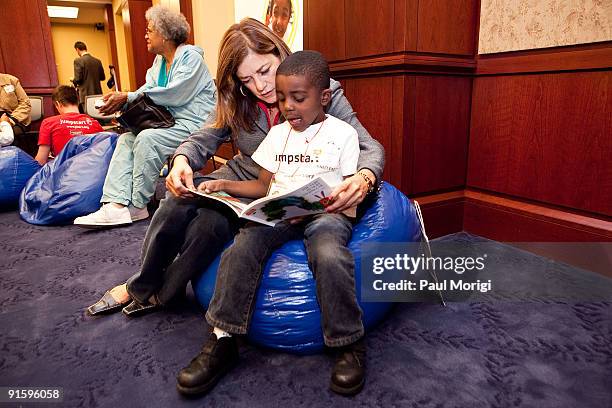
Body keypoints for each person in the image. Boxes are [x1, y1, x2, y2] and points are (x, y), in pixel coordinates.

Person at [86, 17, 382, 372]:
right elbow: (204, 137)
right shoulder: (239, 97)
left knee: (210, 227)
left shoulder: (319, 88)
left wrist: (364, 177)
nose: (261, 86)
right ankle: (143, 285)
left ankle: (167, 294)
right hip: (251, 176)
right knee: (178, 199)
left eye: (265, 70)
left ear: (278, 52)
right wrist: (182, 160)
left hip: (304, 189)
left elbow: (368, 146)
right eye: (247, 80)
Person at [176, 50, 366, 396]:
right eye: (281, 99)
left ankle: (347, 343)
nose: (288, 106)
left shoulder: (343, 135)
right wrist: (224, 185)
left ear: (324, 97)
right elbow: (262, 186)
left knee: (328, 254)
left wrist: (343, 201)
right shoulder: (278, 135)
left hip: (325, 212)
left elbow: (351, 187)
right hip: (279, 211)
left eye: (298, 98)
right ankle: (223, 339)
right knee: (242, 246)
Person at [74, 5, 216, 228]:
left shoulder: (190, 58)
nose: (146, 35)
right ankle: (115, 203)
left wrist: (128, 96)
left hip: (195, 123)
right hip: (170, 122)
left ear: (166, 33)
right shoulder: (159, 63)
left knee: (147, 138)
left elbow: (175, 93)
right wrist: (124, 100)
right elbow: (146, 91)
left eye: (150, 30)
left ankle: (137, 205)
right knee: (126, 138)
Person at [34, 85, 104, 165]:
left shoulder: (48, 123)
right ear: (77, 102)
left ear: (58, 104)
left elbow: (41, 161)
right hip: (91, 172)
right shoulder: (94, 123)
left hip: (64, 174)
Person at [0, 73, 31, 151]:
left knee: (10, 134)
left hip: (16, 117)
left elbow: (25, 103)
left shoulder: (11, 80)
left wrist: (11, 120)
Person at [72, 41, 105, 113]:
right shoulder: (97, 61)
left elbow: (78, 79)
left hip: (86, 95)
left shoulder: (78, 60)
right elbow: (102, 77)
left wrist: (73, 80)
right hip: (98, 95)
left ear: (77, 49)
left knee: (88, 118)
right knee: (99, 117)